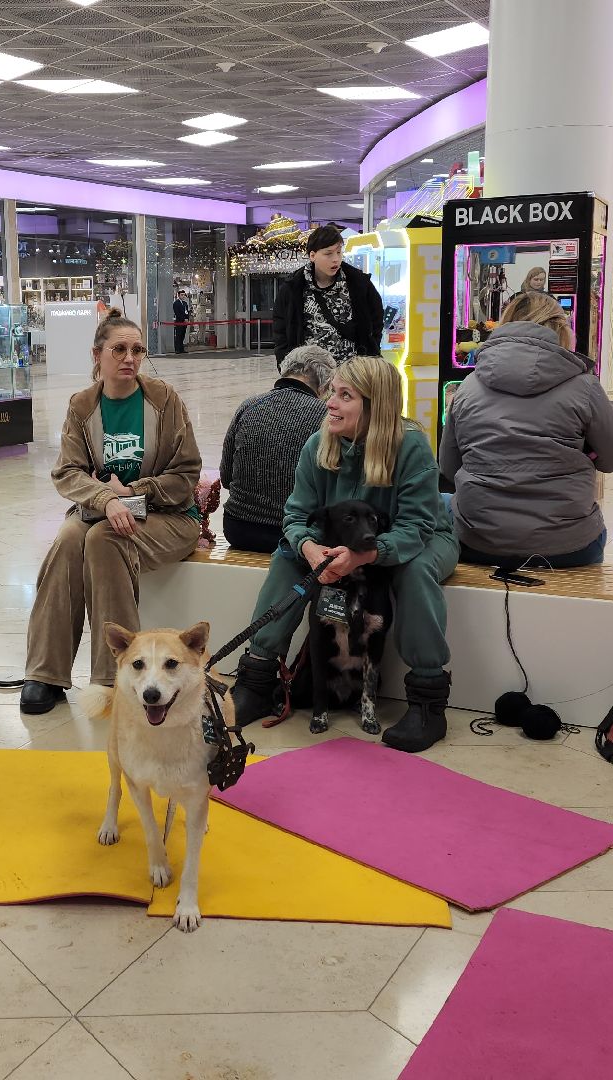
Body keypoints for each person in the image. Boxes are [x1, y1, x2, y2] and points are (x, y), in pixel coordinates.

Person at [226, 356, 458, 753]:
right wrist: (310, 549)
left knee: (415, 570)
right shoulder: (318, 445)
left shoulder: (411, 448)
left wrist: (363, 557)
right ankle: (257, 678)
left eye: (344, 395)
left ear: (375, 405)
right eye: (332, 392)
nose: (330, 403)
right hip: (341, 541)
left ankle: (427, 700)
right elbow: (296, 516)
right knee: (288, 555)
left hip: (421, 538)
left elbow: (416, 527)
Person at [19, 314, 204, 715]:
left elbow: (186, 473)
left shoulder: (164, 399)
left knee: (104, 539)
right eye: (119, 349)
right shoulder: (82, 405)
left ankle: (112, 678)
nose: (129, 358)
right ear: (97, 354)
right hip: (103, 510)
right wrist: (106, 499)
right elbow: (67, 471)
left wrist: (134, 492)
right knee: (69, 539)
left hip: (169, 516)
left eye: (137, 350)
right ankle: (45, 673)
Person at [439, 291, 613, 569]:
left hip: (478, 542)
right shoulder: (584, 386)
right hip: (569, 546)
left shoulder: (468, 387)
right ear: (561, 329)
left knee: (444, 503)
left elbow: (449, 466)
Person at [218, 344, 334, 553]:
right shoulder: (326, 416)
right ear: (325, 384)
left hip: (238, 527)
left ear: (285, 369)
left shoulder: (249, 405)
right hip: (298, 534)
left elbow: (226, 477)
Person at [271, 224, 384, 365]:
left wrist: (371, 353)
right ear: (312, 255)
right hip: (310, 370)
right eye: (328, 253)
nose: (336, 259)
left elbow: (376, 319)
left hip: (352, 371)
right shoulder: (293, 287)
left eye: (339, 252)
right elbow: (280, 329)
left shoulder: (359, 283)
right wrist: (286, 364)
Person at [171, 289, 192, 354]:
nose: (183, 296)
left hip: (184, 322)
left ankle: (181, 349)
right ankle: (177, 349)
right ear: (179, 295)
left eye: (184, 295)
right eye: (181, 295)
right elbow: (177, 313)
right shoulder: (176, 303)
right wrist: (183, 319)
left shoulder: (185, 303)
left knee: (183, 335)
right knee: (178, 335)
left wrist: (187, 318)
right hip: (179, 322)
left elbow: (187, 312)